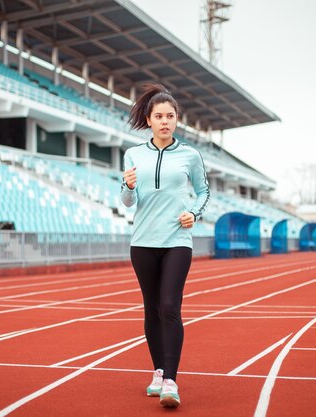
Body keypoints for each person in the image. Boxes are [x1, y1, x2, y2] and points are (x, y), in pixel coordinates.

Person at [120, 83, 210, 408]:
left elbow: (204, 192)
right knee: (151, 309)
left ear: (176, 120)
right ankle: (157, 371)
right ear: (149, 118)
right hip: (142, 241)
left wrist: (193, 213)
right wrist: (127, 186)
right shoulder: (133, 154)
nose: (165, 121)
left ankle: (171, 380)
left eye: (170, 116)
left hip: (177, 241)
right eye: (159, 115)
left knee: (170, 306)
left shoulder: (190, 155)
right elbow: (129, 201)